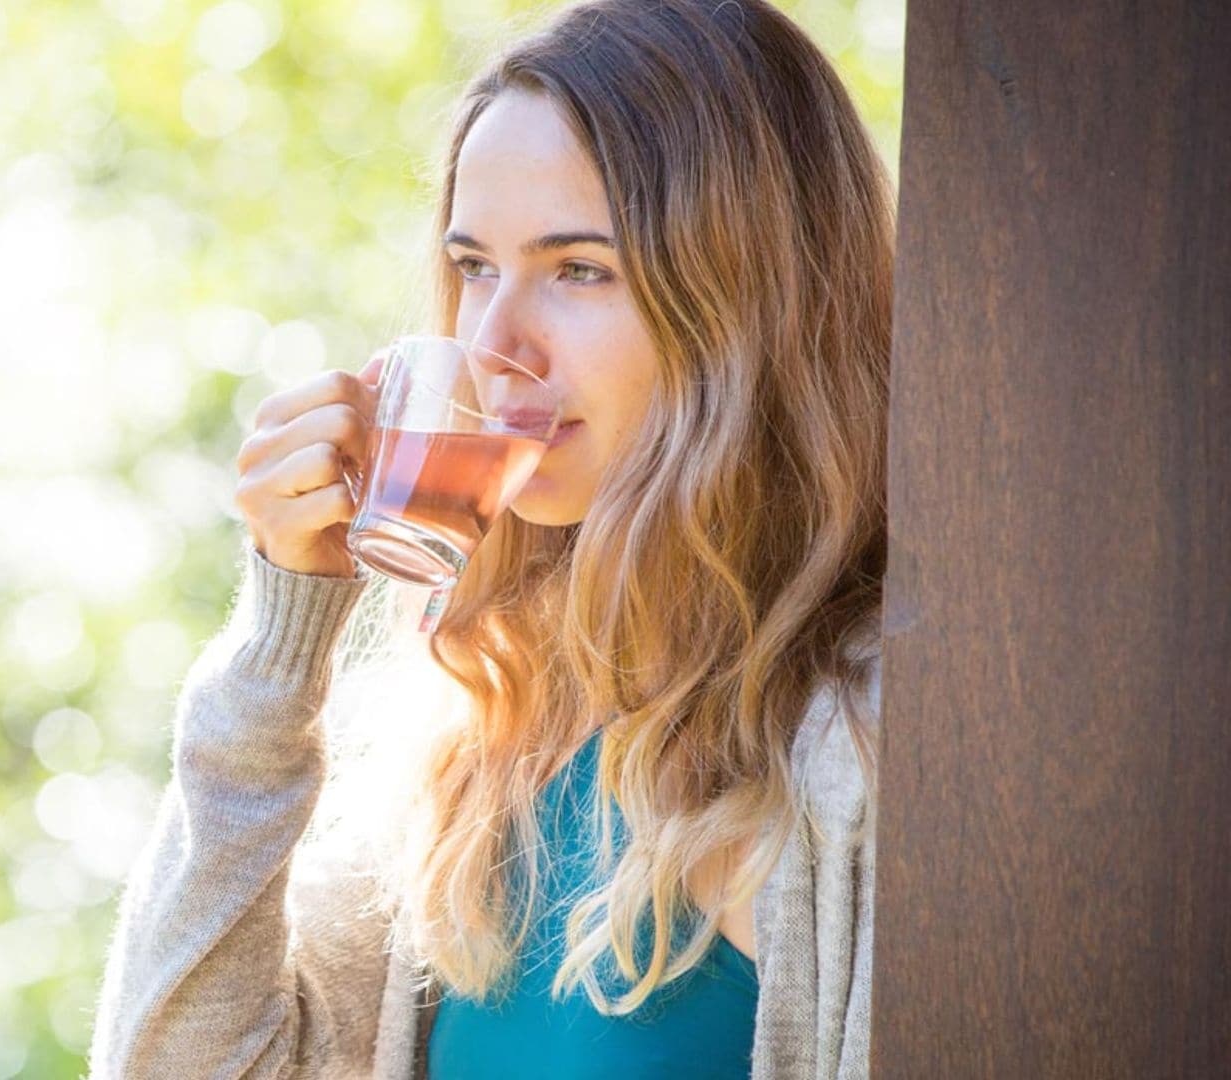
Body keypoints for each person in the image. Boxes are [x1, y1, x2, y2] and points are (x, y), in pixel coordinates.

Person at [88, 0, 892, 1075]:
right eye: (474, 267)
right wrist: (279, 648)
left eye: (579, 270)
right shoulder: (486, 734)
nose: (494, 339)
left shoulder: (873, 747)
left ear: (749, 303)